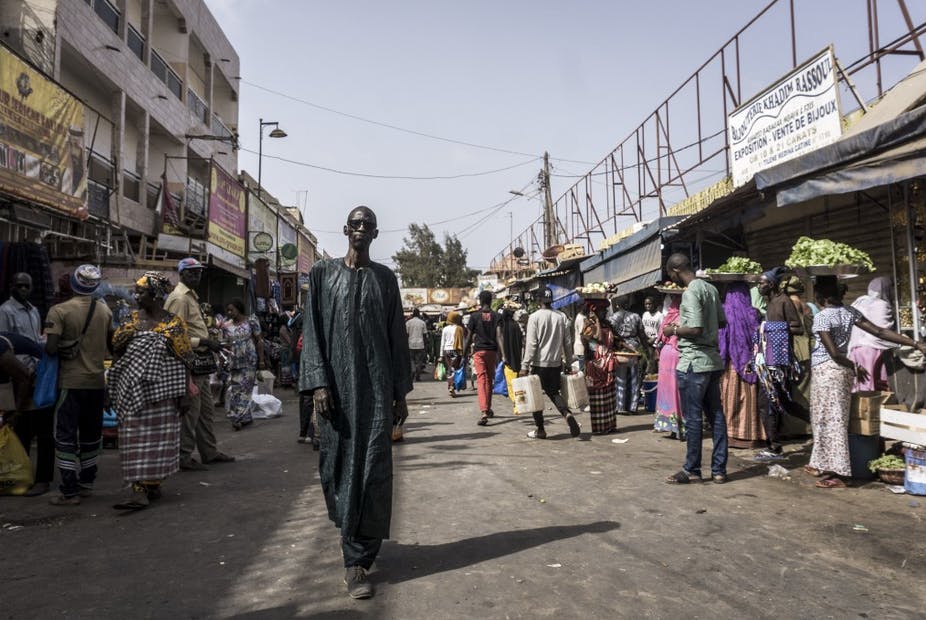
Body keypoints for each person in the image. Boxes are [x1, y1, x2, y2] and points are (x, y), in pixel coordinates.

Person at [299, 206, 411, 600]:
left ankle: (358, 559)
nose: (362, 229)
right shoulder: (322, 274)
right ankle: (351, 536)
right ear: (346, 229)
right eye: (356, 223)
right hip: (336, 393)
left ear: (376, 234)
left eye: (369, 225)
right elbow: (312, 331)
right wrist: (317, 385)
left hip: (377, 392)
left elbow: (396, 336)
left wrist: (399, 392)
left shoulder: (384, 279)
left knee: (374, 467)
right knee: (337, 466)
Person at [806, 276, 926, 488]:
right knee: (835, 420)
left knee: (828, 422)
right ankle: (823, 464)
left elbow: (833, 352)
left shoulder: (823, 317)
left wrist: (853, 365)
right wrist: (914, 342)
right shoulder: (850, 312)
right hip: (841, 372)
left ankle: (841, 474)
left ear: (820, 297)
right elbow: (880, 331)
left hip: (828, 372)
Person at [108, 272, 194, 510]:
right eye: (136, 291)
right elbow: (117, 352)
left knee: (159, 442)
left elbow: (185, 359)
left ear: (155, 295)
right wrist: (111, 386)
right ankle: (138, 490)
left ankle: (152, 484)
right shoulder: (131, 321)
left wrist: (185, 393)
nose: (136, 295)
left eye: (141, 292)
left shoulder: (174, 324)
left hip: (163, 395)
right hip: (133, 392)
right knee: (133, 440)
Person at [44, 265, 113, 505]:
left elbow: (51, 348)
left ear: (73, 283)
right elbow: (111, 346)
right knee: (91, 435)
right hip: (96, 383)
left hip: (70, 383)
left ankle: (69, 491)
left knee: (65, 436)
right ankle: (87, 484)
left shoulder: (59, 311)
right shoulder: (105, 311)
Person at [662, 253, 728, 485]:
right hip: (712, 361)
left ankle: (692, 469)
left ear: (675, 271)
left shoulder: (690, 292)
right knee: (716, 416)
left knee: (693, 418)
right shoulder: (710, 289)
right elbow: (721, 322)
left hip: (693, 362)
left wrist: (674, 330)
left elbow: (696, 328)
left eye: (671, 274)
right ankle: (719, 470)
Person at [164, 257, 234, 471]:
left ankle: (209, 451)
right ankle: (183, 456)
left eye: (199, 272)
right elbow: (172, 334)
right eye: (192, 272)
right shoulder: (179, 298)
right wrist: (203, 341)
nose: (197, 276)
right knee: (191, 411)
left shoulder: (191, 297)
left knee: (205, 411)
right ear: (182, 274)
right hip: (188, 361)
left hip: (201, 361)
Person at [1, 273, 54, 496]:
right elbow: (6, 344)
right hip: (18, 375)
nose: (23, 289)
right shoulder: (5, 311)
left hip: (36, 375)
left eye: (27, 286)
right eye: (19, 285)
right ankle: (20, 475)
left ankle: (42, 479)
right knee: (20, 429)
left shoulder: (33, 310)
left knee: (42, 430)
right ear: (12, 286)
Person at [754, 267, 803, 460]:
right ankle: (774, 444)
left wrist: (771, 328)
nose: (759, 286)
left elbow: (797, 327)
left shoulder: (784, 301)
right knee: (776, 403)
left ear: (772, 284)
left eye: (761, 283)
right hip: (769, 360)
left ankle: (774, 447)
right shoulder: (771, 302)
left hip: (779, 363)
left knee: (768, 403)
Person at [519, 287, 579, 439]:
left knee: (535, 397)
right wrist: (569, 362)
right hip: (555, 363)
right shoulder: (561, 316)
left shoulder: (534, 317)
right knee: (554, 393)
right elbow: (567, 341)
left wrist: (525, 366)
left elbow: (531, 344)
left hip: (539, 364)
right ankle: (567, 415)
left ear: (539, 300)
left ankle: (540, 429)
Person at [717, 281, 763, 449]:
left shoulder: (724, 312)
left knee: (731, 399)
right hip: (750, 363)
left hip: (731, 363)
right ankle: (752, 436)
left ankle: (732, 436)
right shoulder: (754, 313)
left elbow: (721, 340)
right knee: (750, 399)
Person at [220, 298, 265, 430]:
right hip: (234, 362)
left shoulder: (251, 321)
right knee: (235, 390)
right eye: (227, 310)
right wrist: (221, 364)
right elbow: (224, 345)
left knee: (245, 389)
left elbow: (260, 341)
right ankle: (245, 417)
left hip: (249, 361)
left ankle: (238, 418)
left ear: (238, 309)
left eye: (231, 310)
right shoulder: (226, 326)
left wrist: (262, 360)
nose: (229, 312)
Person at [849, 277, 895, 392]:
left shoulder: (859, 302)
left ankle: (862, 407)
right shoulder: (881, 305)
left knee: (861, 384)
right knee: (875, 384)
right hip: (874, 351)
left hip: (856, 349)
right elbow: (882, 332)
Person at [464, 290, 503, 426]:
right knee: (489, 379)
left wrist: (463, 353)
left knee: (482, 379)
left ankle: (484, 411)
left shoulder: (474, 316)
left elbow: (469, 337)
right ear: (491, 301)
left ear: (480, 301)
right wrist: (503, 355)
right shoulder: (497, 316)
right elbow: (499, 336)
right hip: (492, 352)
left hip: (479, 351)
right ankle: (488, 407)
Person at [581, 299, 618, 434]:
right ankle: (600, 428)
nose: (605, 313)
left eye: (605, 311)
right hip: (595, 365)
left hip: (607, 362)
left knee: (609, 394)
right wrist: (595, 319)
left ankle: (610, 425)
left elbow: (616, 340)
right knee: (598, 395)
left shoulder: (607, 324)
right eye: (602, 311)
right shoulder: (588, 325)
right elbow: (598, 338)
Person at [654, 294, 684, 439]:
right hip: (678, 356)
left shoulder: (669, 317)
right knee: (678, 391)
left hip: (666, 355)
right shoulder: (685, 317)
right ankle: (681, 428)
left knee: (668, 392)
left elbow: (661, 336)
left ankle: (671, 427)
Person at [609, 296, 646, 414]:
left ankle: (620, 407)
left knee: (620, 378)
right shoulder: (636, 316)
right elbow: (642, 334)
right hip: (634, 349)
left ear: (617, 305)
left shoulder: (613, 318)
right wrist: (646, 349)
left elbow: (611, 335)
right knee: (634, 378)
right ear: (628, 304)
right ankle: (632, 406)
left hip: (619, 349)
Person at [498, 300, 525, 414]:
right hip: (517, 359)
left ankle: (517, 405)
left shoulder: (502, 328)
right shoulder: (516, 326)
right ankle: (521, 404)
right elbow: (522, 342)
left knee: (511, 384)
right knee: (518, 383)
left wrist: (503, 356)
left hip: (507, 360)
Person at [440, 311, 465, 397]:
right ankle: (452, 386)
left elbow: (442, 342)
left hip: (447, 350)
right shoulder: (459, 328)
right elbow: (463, 341)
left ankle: (451, 386)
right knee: (455, 369)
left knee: (450, 369)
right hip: (456, 351)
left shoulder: (445, 329)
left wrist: (440, 355)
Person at [641, 295, 664, 374]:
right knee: (647, 360)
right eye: (646, 304)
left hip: (655, 342)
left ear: (654, 304)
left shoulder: (660, 316)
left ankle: (653, 375)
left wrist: (654, 338)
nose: (647, 306)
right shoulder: (645, 314)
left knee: (653, 361)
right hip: (646, 340)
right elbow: (643, 327)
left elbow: (662, 330)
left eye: (649, 304)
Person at [406, 308, 428, 382]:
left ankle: (413, 370)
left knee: (411, 360)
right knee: (419, 361)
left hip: (410, 344)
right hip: (420, 344)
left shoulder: (408, 323)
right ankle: (417, 376)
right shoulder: (422, 323)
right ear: (419, 314)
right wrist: (425, 344)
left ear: (413, 314)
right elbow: (424, 335)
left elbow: (406, 334)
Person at [573, 307, 588, 372]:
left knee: (582, 369)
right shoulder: (582, 318)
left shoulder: (578, 316)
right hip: (581, 346)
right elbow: (582, 334)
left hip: (579, 346)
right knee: (583, 371)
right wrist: (586, 347)